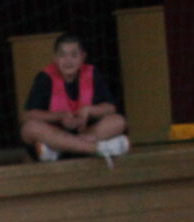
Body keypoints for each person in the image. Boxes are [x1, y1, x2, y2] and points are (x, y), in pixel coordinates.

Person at [20, 34, 129, 162]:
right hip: (56, 134)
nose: (68, 61)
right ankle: (98, 149)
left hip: (86, 133)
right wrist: (59, 116)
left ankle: (60, 149)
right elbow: (29, 116)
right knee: (29, 129)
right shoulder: (45, 78)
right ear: (55, 57)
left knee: (118, 121)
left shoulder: (92, 74)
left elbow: (111, 108)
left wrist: (89, 111)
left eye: (74, 55)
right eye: (63, 55)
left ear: (83, 57)